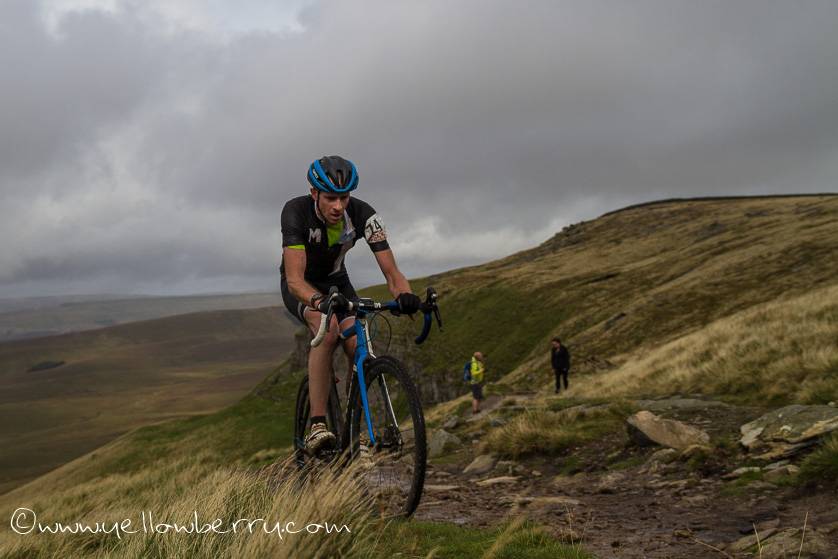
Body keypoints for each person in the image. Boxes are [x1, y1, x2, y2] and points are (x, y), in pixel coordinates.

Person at [280, 155, 421, 456]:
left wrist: (405, 295)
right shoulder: (295, 211)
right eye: (330, 198)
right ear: (314, 193)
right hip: (302, 285)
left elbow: (392, 273)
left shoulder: (364, 215)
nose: (338, 206)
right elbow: (294, 280)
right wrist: (318, 301)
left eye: (344, 198)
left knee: (358, 342)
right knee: (327, 329)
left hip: (337, 282)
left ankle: (352, 424)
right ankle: (318, 425)